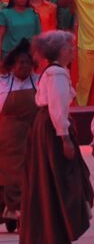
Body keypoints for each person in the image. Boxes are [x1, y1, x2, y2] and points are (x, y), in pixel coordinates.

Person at [22, 33, 91, 244]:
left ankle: (52, 230)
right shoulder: (57, 75)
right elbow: (57, 108)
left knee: (48, 179)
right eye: (70, 47)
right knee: (60, 179)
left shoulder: (53, 72)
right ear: (61, 50)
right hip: (53, 131)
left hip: (46, 129)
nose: (73, 51)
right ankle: (55, 231)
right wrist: (65, 138)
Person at [2, 42, 31, 233]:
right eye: (20, 63)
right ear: (13, 65)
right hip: (7, 139)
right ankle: (12, 211)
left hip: (31, 138)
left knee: (29, 178)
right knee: (7, 178)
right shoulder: (3, 84)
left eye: (27, 63)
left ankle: (25, 214)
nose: (23, 66)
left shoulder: (39, 83)